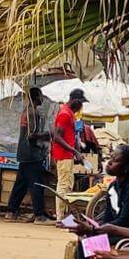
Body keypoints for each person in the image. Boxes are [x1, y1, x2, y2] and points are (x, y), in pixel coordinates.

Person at [61, 145, 129, 259]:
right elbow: (107, 216)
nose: (110, 162)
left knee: (92, 243)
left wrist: (94, 230)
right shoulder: (113, 185)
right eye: (111, 158)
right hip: (114, 230)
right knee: (84, 239)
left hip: (128, 234)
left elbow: (125, 220)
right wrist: (91, 227)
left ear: (126, 168)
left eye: (115, 160)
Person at [4, 86, 50, 223]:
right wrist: (47, 135)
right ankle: (39, 215)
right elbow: (31, 136)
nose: (42, 98)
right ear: (36, 97)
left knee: (21, 184)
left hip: (24, 153)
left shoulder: (26, 111)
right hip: (32, 154)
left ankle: (11, 211)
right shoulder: (33, 113)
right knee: (37, 184)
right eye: (41, 95)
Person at [52, 89, 85, 218]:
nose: (81, 106)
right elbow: (57, 137)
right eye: (81, 103)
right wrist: (74, 151)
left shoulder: (70, 113)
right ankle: (60, 217)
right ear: (75, 101)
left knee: (67, 185)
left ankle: (63, 215)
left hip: (67, 155)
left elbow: (72, 135)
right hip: (63, 155)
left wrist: (76, 151)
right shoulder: (65, 114)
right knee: (64, 186)